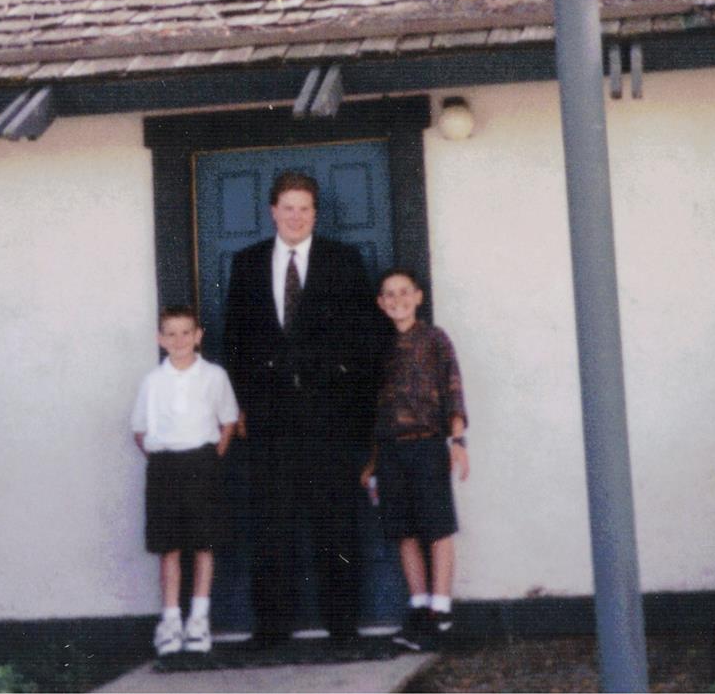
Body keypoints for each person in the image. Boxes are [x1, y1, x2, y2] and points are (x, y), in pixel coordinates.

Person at [222, 170, 380, 646]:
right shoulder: (248, 263)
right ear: (273, 211)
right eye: (287, 208)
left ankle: (342, 625)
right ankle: (272, 627)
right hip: (269, 416)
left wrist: (354, 406)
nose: (295, 217)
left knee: (336, 520)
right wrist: (240, 405)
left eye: (304, 209)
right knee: (272, 522)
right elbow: (235, 339)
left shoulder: (343, 261)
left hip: (329, 414)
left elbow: (363, 337)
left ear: (315, 213)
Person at [361, 268, 468, 649]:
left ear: (418, 296)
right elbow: (376, 409)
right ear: (380, 302)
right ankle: (419, 606)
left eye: (404, 292)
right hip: (391, 451)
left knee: (437, 527)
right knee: (403, 531)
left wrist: (458, 440)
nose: (397, 300)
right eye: (389, 294)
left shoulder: (435, 339)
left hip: (428, 445)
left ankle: (441, 611)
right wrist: (373, 462)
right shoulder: (380, 347)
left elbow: (453, 389)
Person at [131, 305, 240, 657]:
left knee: (204, 543)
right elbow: (140, 431)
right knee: (170, 547)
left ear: (198, 336)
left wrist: (210, 458)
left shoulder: (214, 376)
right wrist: (163, 459)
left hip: (202, 463)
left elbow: (228, 422)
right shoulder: (153, 381)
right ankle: (170, 621)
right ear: (160, 339)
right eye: (171, 334)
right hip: (165, 465)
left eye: (185, 333)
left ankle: (199, 619)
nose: (179, 340)